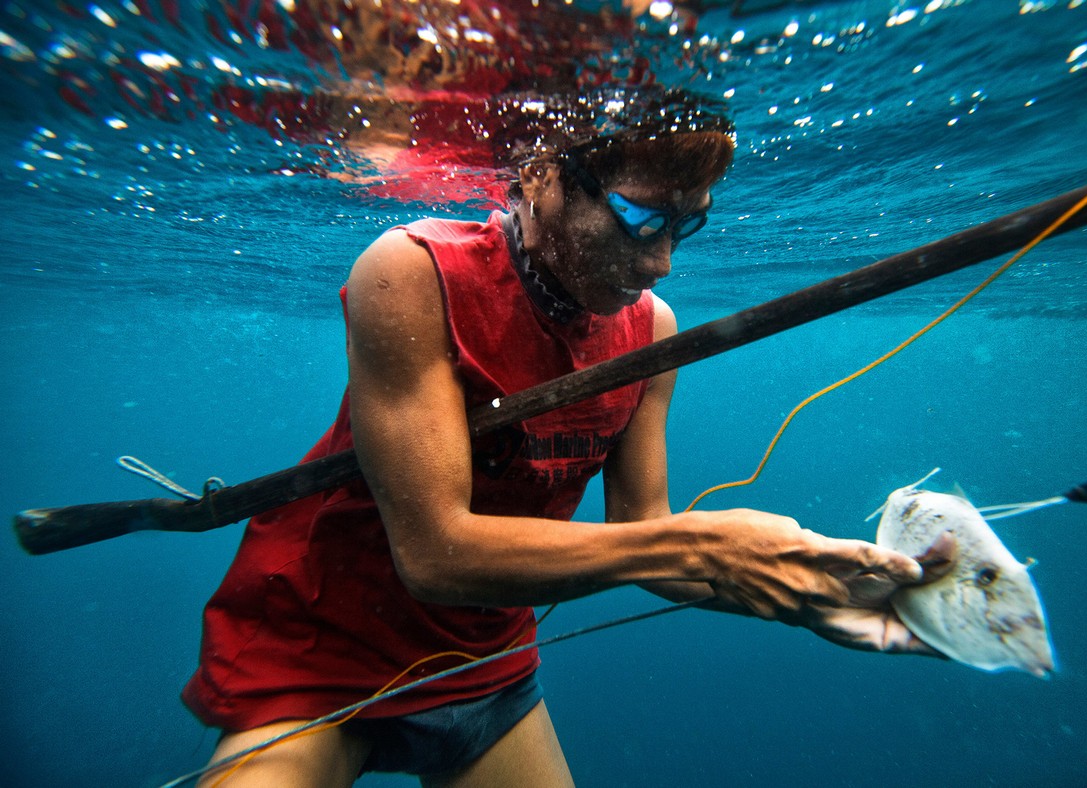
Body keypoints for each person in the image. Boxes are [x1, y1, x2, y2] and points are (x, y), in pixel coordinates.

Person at [182, 86, 953, 787]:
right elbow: (434, 555)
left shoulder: (651, 331)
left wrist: (811, 592)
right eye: (641, 219)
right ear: (545, 173)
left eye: (687, 227)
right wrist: (705, 546)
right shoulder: (413, 272)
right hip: (320, 644)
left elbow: (644, 534)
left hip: (481, 656)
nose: (661, 263)